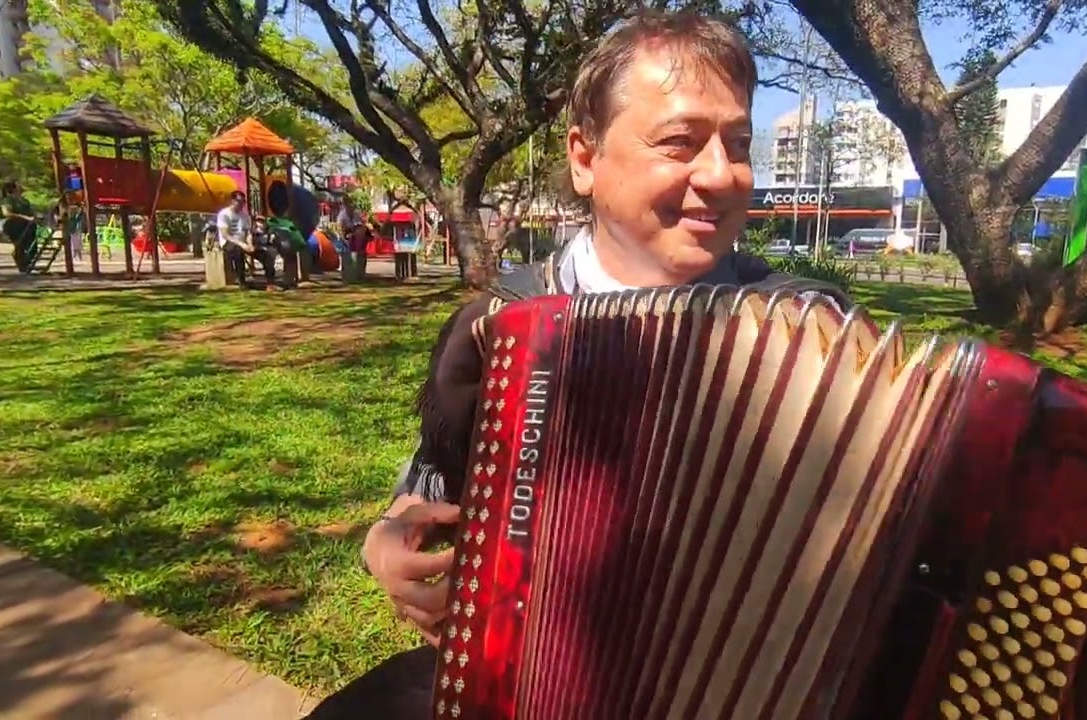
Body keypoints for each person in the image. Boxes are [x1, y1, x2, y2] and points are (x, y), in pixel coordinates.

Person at [311, 10, 852, 718]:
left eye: (738, 143)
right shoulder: (501, 329)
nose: (722, 175)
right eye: (681, 142)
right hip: (522, 688)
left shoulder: (814, 336)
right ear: (584, 158)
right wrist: (387, 544)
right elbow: (424, 489)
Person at [215, 190, 277, 290]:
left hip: (243, 242)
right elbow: (225, 234)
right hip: (229, 242)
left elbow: (248, 233)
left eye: (243, 202)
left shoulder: (245, 215)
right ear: (232, 201)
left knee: (266, 253)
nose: (241, 204)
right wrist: (241, 244)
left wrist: (250, 244)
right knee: (238, 250)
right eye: (239, 201)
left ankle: (270, 282)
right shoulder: (224, 214)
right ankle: (242, 281)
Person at [0, 182, 38, 273]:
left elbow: (31, 212)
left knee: (33, 246)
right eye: (17, 186)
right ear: (12, 189)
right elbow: (7, 213)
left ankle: (27, 264)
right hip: (14, 226)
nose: (20, 187)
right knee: (20, 246)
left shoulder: (25, 200)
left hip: (29, 226)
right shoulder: (8, 200)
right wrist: (25, 217)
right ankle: (23, 267)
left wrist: (35, 217)